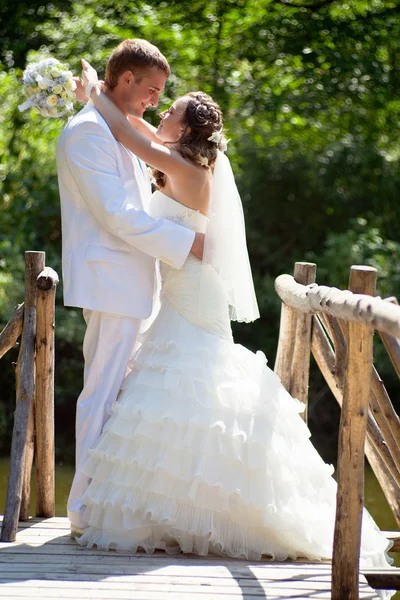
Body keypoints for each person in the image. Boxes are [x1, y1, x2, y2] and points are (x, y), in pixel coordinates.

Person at [76, 60, 394, 596]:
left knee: (197, 378)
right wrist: (103, 91)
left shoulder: (183, 168)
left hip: (191, 293)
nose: (163, 112)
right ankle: (181, 511)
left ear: (186, 131)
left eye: (171, 111)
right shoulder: (182, 159)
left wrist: (92, 94)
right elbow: (142, 132)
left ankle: (226, 512)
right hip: (181, 287)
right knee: (181, 386)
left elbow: (126, 132)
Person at [56, 39, 205, 537]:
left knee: (118, 396)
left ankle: (107, 502)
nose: (153, 103)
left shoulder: (108, 127)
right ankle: (83, 510)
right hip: (112, 281)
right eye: (150, 91)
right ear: (124, 81)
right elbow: (117, 217)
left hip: (132, 282)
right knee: (99, 394)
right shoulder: (87, 135)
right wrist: (189, 244)